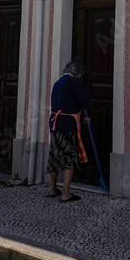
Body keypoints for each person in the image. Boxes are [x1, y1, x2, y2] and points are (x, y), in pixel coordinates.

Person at [47, 60, 92, 202]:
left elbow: (63, 103)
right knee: (69, 160)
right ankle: (66, 193)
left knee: (55, 157)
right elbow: (85, 101)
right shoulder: (73, 82)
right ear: (77, 73)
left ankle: (53, 189)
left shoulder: (58, 83)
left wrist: (80, 118)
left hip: (55, 122)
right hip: (67, 124)